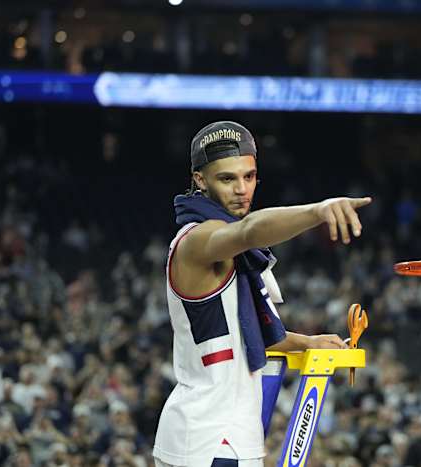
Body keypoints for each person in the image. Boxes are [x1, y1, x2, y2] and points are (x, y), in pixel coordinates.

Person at [152, 121, 372, 467]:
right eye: (227, 179)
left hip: (211, 437)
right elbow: (250, 231)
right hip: (213, 440)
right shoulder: (198, 240)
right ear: (200, 180)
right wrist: (318, 210)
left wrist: (307, 343)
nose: (242, 189)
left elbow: (245, 335)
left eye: (249, 176)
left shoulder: (224, 243)